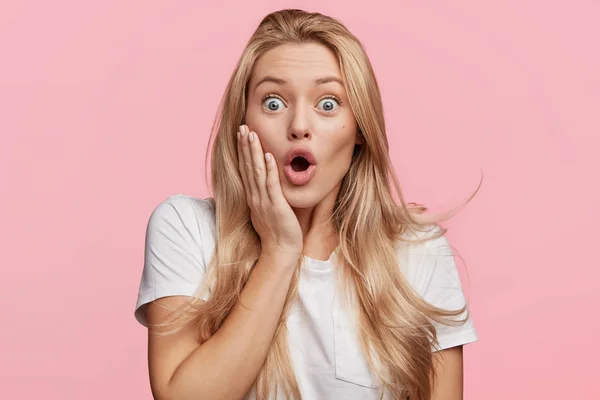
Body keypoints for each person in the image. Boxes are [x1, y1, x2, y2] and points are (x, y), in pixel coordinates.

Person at [133, 8, 479, 400]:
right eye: (274, 103)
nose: (299, 125)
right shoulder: (186, 227)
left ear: (360, 130)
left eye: (328, 103)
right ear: (242, 121)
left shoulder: (416, 251)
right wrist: (280, 251)